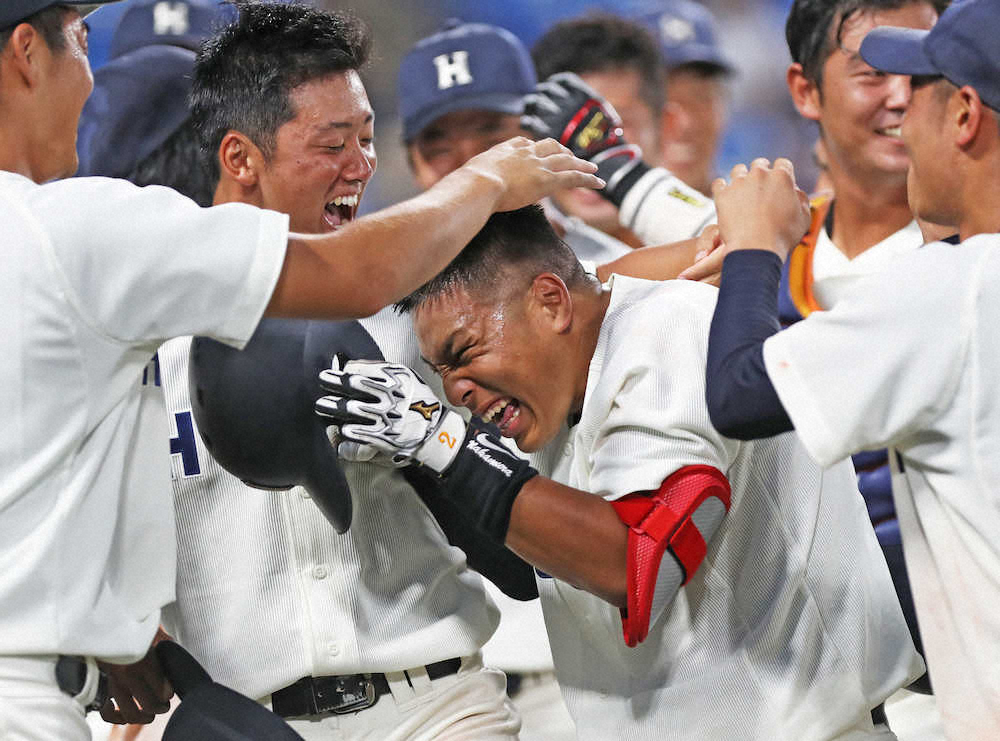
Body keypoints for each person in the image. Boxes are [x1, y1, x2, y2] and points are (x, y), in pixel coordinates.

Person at [0, 0, 601, 737]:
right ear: (241, 158)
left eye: (368, 138)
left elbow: (521, 556)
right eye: (332, 142)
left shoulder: (422, 306)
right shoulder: (133, 325)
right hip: (245, 717)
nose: (361, 165)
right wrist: (129, 634)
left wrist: (431, 443)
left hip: (432, 704)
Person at [315, 203, 923, 740]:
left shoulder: (668, 330)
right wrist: (429, 462)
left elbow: (637, 560)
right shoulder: (552, 390)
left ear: (550, 302)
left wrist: (444, 441)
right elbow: (532, 567)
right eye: (440, 372)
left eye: (465, 351)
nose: (455, 389)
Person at [702, 0, 1000, 737]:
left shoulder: (954, 288)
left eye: (918, 92)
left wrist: (752, 248)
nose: (902, 109)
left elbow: (737, 393)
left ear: (963, 114)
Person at [528, 13, 716, 248]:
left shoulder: (724, 231)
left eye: (610, 121)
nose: (586, 146)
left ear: (667, 127)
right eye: (569, 124)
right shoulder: (508, 262)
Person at [629, 0, 735, 197]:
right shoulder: (576, 223)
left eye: (701, 98)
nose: (685, 123)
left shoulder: (756, 218)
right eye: (662, 101)